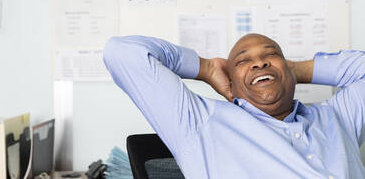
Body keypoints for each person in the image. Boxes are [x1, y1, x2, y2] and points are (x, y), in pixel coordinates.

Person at [103, 33, 365, 179]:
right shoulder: (200, 123)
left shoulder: (338, 117)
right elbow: (122, 52)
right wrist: (204, 68)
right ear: (231, 83)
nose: (260, 63)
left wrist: (296, 69)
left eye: (271, 55)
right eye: (243, 61)